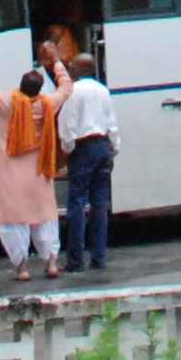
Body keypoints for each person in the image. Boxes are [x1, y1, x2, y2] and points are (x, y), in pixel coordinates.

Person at [0, 58, 64, 280]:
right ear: (39, 90)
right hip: (39, 171)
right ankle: (51, 262)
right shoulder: (48, 104)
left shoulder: (6, 102)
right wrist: (57, 62)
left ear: (20, 86)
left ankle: (22, 268)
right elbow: (66, 88)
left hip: (9, 171)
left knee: (12, 221)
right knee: (44, 216)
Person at [55, 50, 117, 278]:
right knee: (100, 204)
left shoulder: (73, 92)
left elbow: (67, 126)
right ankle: (99, 257)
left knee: (77, 204)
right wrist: (113, 148)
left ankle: (75, 260)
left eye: (72, 65)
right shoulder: (103, 90)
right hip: (103, 146)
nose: (69, 67)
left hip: (83, 149)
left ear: (80, 69)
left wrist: (68, 150)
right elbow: (112, 123)